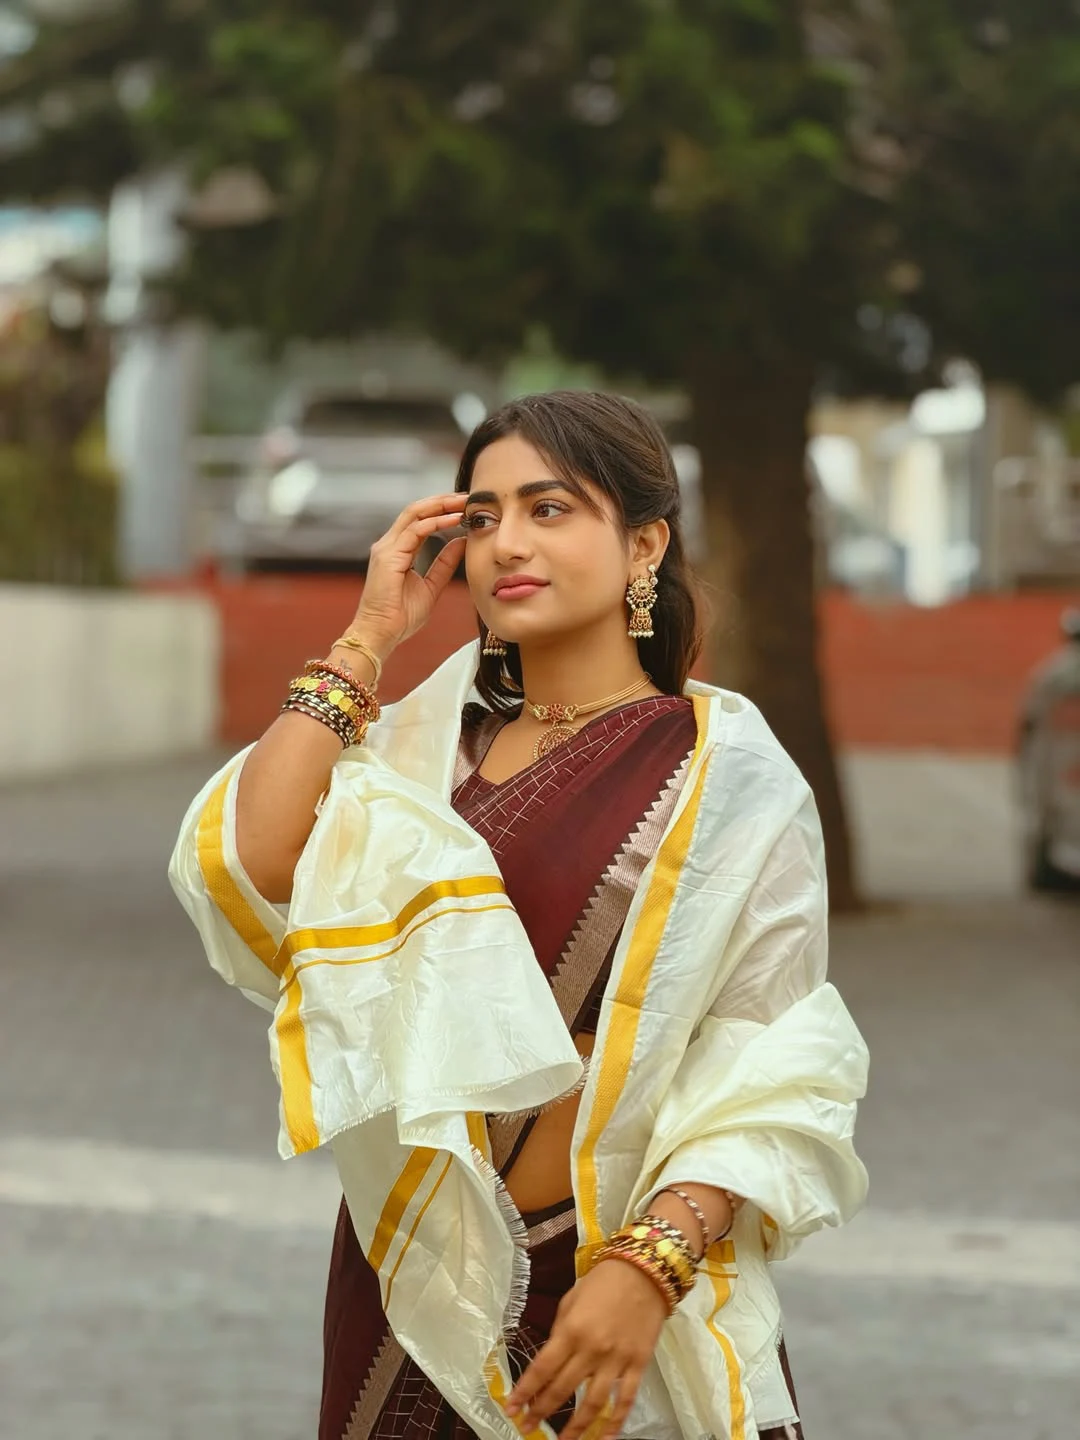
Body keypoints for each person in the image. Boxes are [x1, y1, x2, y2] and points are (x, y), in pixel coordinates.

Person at [171, 390, 869, 1440]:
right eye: (484, 516)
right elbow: (252, 861)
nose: (507, 544)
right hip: (416, 1275)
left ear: (644, 544)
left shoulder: (728, 775)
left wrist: (652, 1267)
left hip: (622, 1283)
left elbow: (775, 1065)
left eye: (550, 510)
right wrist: (372, 631)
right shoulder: (418, 753)